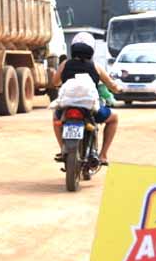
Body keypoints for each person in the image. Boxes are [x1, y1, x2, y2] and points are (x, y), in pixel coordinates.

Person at [50, 32, 124, 164]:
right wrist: (119, 89)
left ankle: (63, 149)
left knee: (56, 119)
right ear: (91, 50)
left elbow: (55, 82)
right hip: (90, 108)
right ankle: (103, 155)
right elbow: (112, 85)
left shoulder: (65, 64)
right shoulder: (96, 66)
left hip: (67, 107)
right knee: (114, 118)